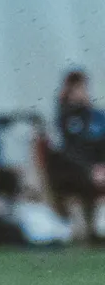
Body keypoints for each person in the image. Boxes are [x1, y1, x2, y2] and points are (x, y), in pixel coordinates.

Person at [47, 70, 105, 244]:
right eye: (78, 88)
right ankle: (86, 229)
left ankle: (95, 227)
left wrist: (101, 166)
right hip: (73, 171)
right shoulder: (63, 118)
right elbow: (67, 152)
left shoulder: (96, 116)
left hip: (97, 169)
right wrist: (90, 169)